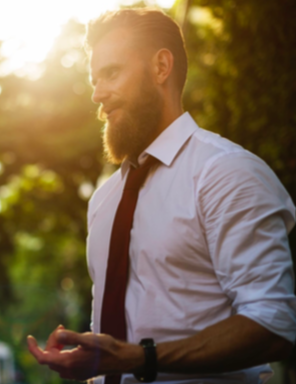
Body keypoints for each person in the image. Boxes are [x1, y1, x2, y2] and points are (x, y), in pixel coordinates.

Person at [27, 8, 296, 384]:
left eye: (111, 73)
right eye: (94, 78)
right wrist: (90, 364)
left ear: (161, 67)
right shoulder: (104, 201)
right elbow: (114, 339)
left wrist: (139, 358)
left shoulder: (227, 173)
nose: (96, 94)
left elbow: (273, 324)